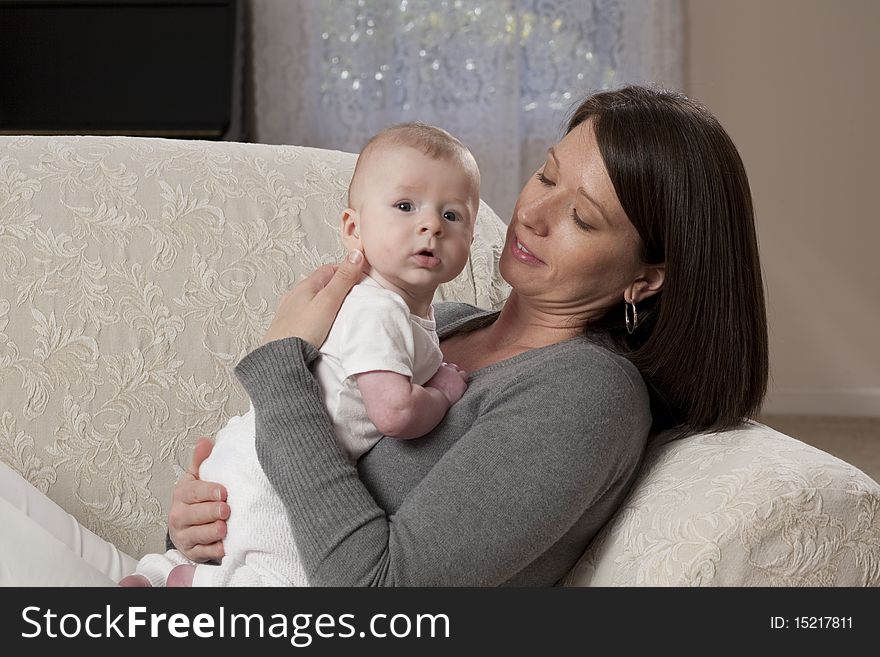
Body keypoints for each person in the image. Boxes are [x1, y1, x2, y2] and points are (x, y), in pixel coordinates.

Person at [0, 85, 769, 587]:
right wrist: (203, 516)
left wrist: (279, 365)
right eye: (546, 174)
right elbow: (306, 479)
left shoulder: (582, 393)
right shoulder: (444, 324)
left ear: (647, 277)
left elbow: (378, 592)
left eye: (583, 216)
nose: (532, 212)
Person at [119, 123, 481, 587]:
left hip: (253, 445)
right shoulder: (379, 309)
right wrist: (442, 393)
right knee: (286, 579)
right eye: (405, 206)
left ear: (472, 238)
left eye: (452, 215)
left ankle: (157, 575)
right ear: (354, 228)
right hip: (279, 466)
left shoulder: (394, 310)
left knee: (240, 549)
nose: (430, 224)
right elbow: (393, 412)